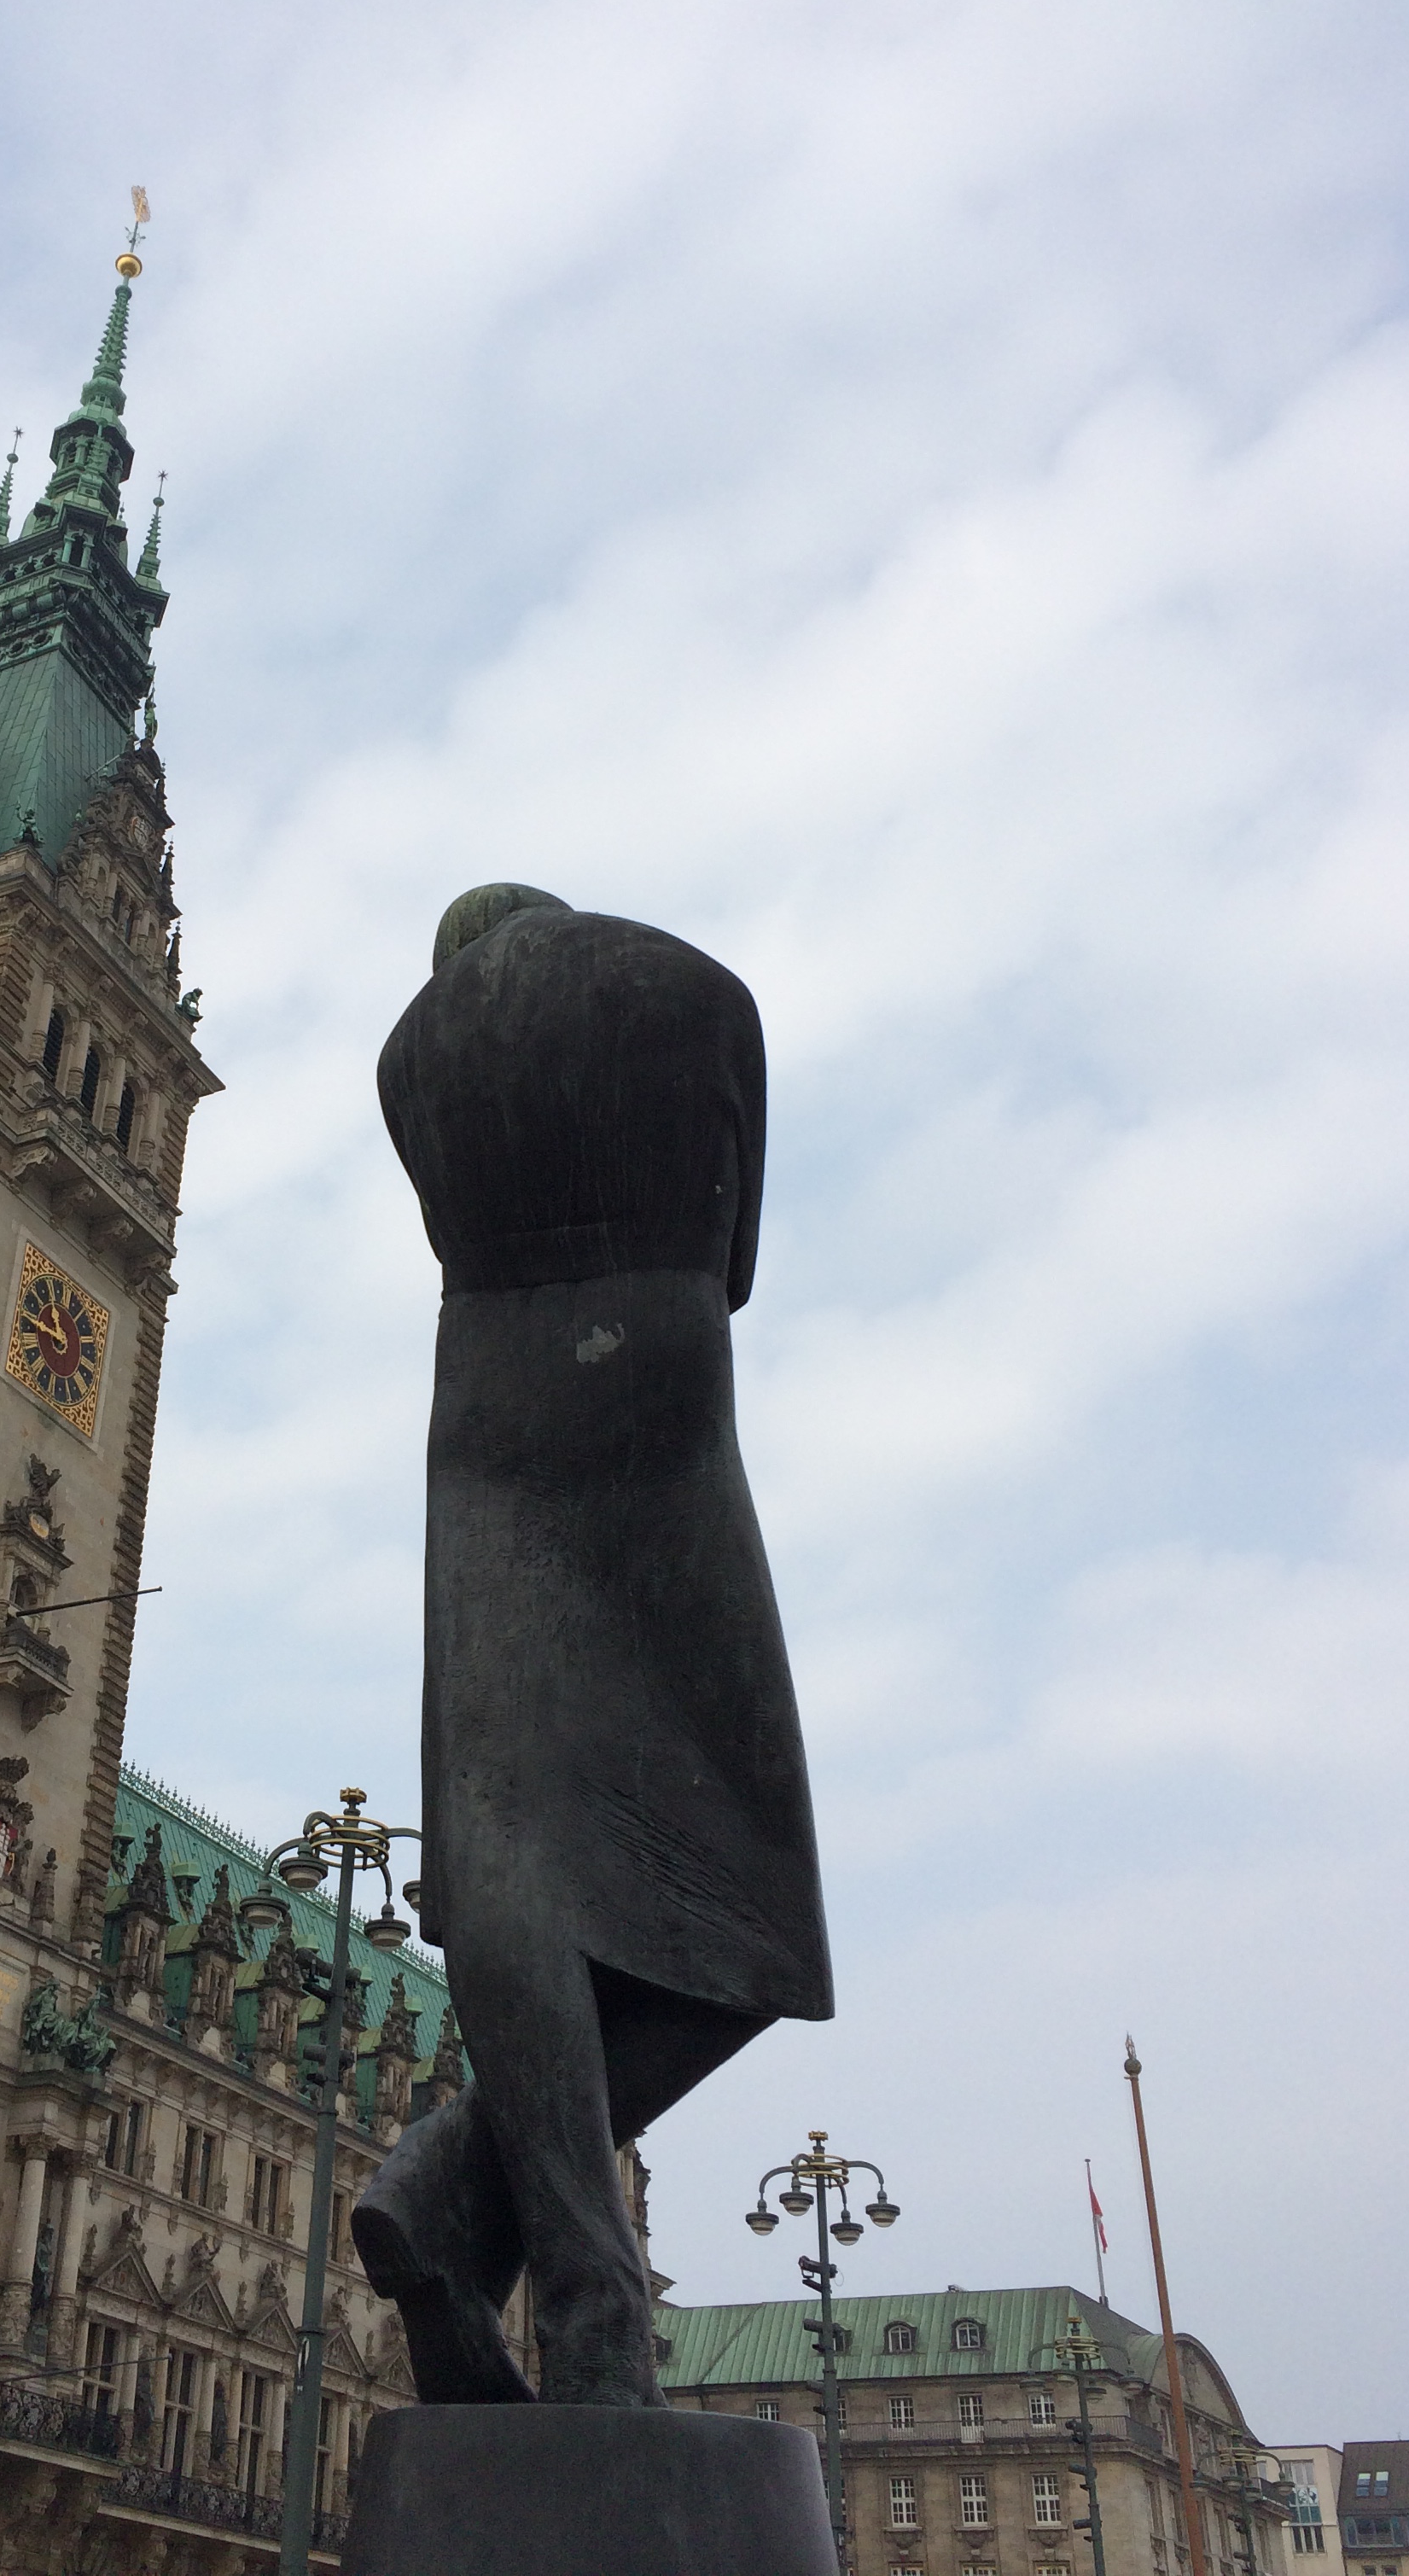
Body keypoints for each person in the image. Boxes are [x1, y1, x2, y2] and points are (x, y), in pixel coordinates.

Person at [352, 884, 830, 2408]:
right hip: (660, 1359)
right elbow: (736, 1253)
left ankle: (518, 2240)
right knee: (753, 1908)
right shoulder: (693, 986)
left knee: (502, 1831)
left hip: (483, 1402)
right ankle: (531, 2254)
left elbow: (451, 1232)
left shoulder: (409, 1055)